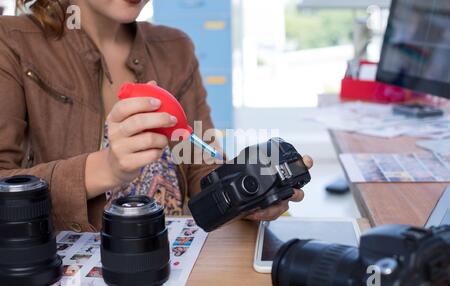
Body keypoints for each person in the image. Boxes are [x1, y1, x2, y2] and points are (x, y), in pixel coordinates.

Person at [0, 0, 313, 232]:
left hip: (173, 266)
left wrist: (244, 195)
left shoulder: (175, 48)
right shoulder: (12, 41)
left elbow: (201, 162)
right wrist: (107, 168)